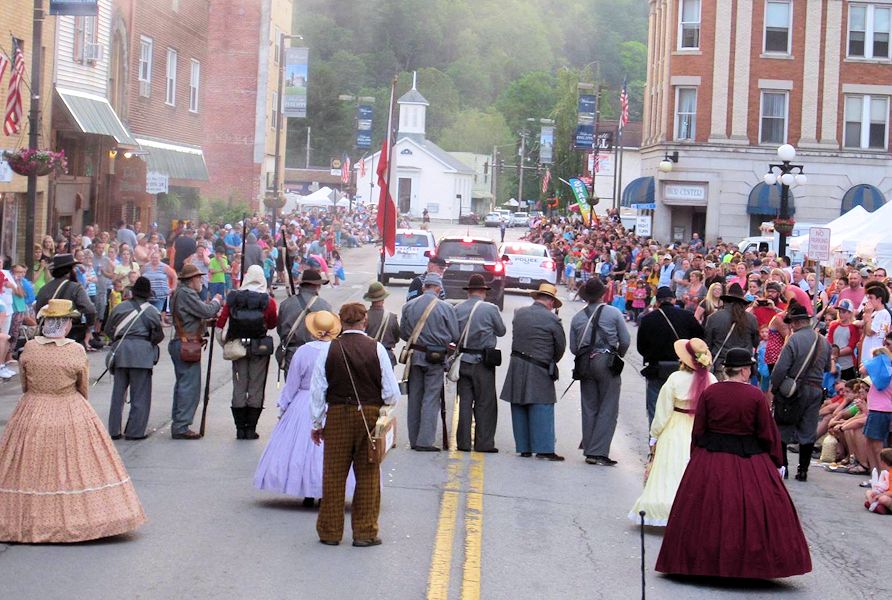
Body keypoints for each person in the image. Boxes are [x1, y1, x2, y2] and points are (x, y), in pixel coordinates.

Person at [655, 347, 812, 579]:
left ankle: (698, 562)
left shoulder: (710, 393)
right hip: (749, 459)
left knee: (704, 511)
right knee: (751, 512)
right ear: (746, 371)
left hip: (710, 458)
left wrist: (696, 457)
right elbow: (767, 433)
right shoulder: (755, 396)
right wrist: (776, 461)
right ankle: (749, 565)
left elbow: (699, 430)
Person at [0, 299, 146, 543]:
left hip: (33, 408)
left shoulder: (30, 349)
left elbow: (25, 384)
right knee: (73, 465)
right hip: (68, 406)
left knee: (29, 466)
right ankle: (76, 518)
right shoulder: (75, 350)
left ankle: (24, 520)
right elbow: (82, 386)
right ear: (66, 324)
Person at [310, 303, 400, 547]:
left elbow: (318, 390)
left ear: (341, 322)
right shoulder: (377, 348)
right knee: (368, 474)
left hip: (337, 414)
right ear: (365, 321)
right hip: (369, 416)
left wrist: (317, 422)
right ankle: (365, 532)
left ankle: (329, 531)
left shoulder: (329, 349)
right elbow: (392, 392)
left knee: (334, 474)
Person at [255, 311, 354, 507]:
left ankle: (307, 492)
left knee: (301, 448)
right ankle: (327, 491)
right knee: (330, 451)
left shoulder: (303, 351)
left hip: (304, 400)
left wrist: (284, 406)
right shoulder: (340, 350)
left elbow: (292, 383)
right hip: (331, 401)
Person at [628, 338, 716, 525]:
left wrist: (654, 436)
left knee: (669, 468)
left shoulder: (675, 379)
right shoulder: (712, 380)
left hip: (675, 427)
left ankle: (663, 510)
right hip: (699, 430)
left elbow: (662, 412)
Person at [500, 283, 567, 461]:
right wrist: (551, 359)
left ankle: (524, 447)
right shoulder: (552, 319)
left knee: (519, 404)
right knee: (542, 405)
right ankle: (544, 449)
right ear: (551, 302)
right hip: (539, 365)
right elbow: (560, 347)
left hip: (516, 363)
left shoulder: (519, 313)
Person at [570, 278, 630, 465]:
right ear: (602, 294)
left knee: (589, 406)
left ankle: (589, 448)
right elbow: (625, 340)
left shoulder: (578, 317)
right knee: (608, 406)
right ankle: (599, 451)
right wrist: (618, 353)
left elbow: (573, 347)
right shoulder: (613, 313)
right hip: (605, 359)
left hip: (585, 362)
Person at [769, 302, 832, 481]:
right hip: (816, 390)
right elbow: (828, 367)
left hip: (793, 391)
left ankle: (784, 467)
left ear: (795, 323)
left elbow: (781, 369)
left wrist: (775, 387)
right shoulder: (824, 342)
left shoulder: (794, 340)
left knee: (783, 427)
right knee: (808, 429)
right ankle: (803, 470)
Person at [216, 265, 278, 440]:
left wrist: (226, 344)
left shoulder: (234, 298)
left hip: (238, 346)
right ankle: (251, 428)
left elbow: (221, 323)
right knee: (256, 386)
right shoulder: (268, 300)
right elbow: (273, 323)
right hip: (259, 348)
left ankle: (239, 428)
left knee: (239, 384)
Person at [400, 273, 459, 451]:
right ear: (438, 288)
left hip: (414, 356)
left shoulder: (408, 306)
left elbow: (404, 333)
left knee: (415, 397)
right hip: (435, 357)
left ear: (424, 287)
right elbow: (455, 335)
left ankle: (413, 438)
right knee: (431, 398)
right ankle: (425, 441)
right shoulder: (446, 307)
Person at [104, 277, 164, 440]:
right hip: (142, 355)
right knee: (140, 395)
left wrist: (120, 341)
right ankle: (135, 432)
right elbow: (158, 335)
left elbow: (108, 329)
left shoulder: (119, 308)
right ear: (147, 295)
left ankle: (114, 430)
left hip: (121, 352)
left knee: (118, 395)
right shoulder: (152, 311)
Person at [453, 274, 506, 453]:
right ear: (483, 291)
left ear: (469, 292)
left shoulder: (457, 308)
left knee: (464, 404)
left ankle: (463, 443)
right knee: (485, 403)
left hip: (463, 361)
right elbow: (502, 331)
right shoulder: (490, 309)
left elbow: (453, 335)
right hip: (483, 361)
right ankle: (484, 443)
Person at [169, 264, 222, 440]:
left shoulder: (180, 293)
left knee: (183, 384)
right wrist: (216, 301)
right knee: (189, 387)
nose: (201, 281)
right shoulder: (186, 294)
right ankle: (181, 425)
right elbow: (205, 311)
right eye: (199, 278)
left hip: (184, 340)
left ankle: (179, 422)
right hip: (186, 343)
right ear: (192, 280)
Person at [637, 286, 704, 426]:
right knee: (680, 409)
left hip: (656, 369)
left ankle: (655, 443)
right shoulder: (687, 316)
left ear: (657, 302)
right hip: (683, 367)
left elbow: (641, 347)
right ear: (673, 300)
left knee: (655, 409)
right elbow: (699, 340)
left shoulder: (648, 319)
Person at [276, 268, 331, 378]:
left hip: (292, 353)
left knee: (292, 391)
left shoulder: (286, 304)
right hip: (316, 353)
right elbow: (329, 333)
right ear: (317, 286)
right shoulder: (324, 306)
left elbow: (280, 330)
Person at [34, 254, 97, 345]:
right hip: (69, 334)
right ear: (69, 271)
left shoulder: (44, 288)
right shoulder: (75, 287)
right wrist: (88, 328)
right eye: (74, 268)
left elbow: (38, 313)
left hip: (45, 334)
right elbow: (90, 310)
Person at [704, 282, 759, 376]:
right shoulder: (751, 318)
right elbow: (756, 342)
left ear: (726, 301)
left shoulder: (713, 318)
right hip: (744, 367)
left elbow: (708, 343)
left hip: (721, 366)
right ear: (743, 303)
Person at [363, 282, 400, 366]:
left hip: (367, 356)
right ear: (383, 299)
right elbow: (396, 338)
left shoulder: (363, 317)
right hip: (386, 356)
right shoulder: (391, 317)